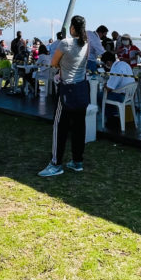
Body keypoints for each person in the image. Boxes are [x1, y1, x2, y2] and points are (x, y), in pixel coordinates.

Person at [38, 14, 90, 177]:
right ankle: (77, 161)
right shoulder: (86, 44)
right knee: (79, 128)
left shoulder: (65, 43)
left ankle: (56, 164)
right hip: (82, 90)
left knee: (59, 127)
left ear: (72, 28)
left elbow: (53, 63)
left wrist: (63, 65)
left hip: (67, 90)